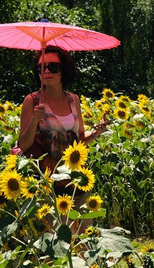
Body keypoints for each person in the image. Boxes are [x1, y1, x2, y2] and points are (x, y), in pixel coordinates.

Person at [17, 45, 108, 227]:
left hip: (75, 182)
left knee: (84, 240)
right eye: (41, 67)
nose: (47, 71)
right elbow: (23, 145)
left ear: (64, 70)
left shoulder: (73, 100)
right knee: (53, 245)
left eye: (54, 67)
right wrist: (35, 120)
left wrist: (96, 132)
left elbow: (79, 139)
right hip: (46, 185)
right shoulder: (32, 101)